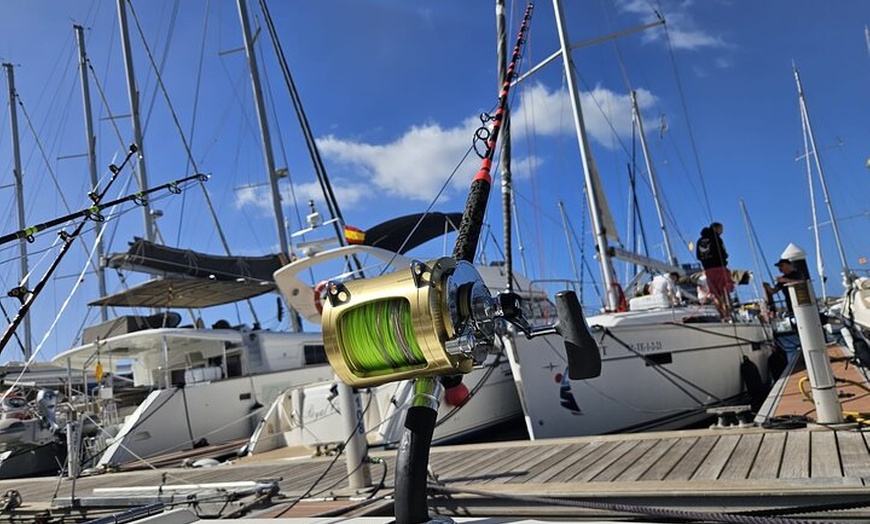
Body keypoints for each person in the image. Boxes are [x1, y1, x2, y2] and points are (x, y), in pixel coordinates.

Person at [696, 222, 733, 319]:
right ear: (716, 228)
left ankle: (723, 316)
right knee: (725, 291)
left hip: (708, 270)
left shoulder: (699, 241)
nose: (722, 231)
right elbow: (724, 253)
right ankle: (729, 314)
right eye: (721, 229)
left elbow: (699, 256)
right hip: (719, 267)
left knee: (715, 294)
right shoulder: (716, 238)